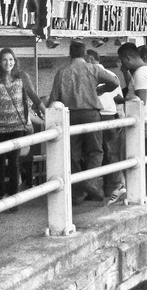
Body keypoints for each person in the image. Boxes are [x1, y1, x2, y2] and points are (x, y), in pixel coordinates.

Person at [48, 40, 118, 204]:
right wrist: (101, 89)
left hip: (70, 116)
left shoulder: (62, 72)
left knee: (73, 153)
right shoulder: (93, 68)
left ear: (69, 54)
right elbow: (115, 81)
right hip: (91, 114)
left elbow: (54, 99)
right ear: (85, 54)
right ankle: (90, 183)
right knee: (95, 151)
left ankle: (77, 192)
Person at [0, 49, 43, 205]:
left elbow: (33, 96)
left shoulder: (22, 77)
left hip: (17, 126)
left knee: (14, 161)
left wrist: (48, 114)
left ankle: (14, 197)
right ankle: (2, 194)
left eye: (11, 59)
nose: (8, 63)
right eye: (4, 60)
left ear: (15, 62)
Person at [117, 43, 147, 191]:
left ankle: (136, 190)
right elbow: (135, 88)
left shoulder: (140, 73)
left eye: (122, 60)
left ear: (127, 58)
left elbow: (140, 101)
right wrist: (126, 73)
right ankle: (139, 189)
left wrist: (120, 100)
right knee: (140, 157)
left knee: (131, 156)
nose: (122, 63)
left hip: (140, 120)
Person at [86, 49, 124, 204]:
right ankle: (111, 187)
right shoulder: (110, 75)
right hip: (111, 116)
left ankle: (92, 187)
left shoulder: (88, 75)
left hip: (96, 116)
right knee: (111, 153)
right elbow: (118, 97)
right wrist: (121, 116)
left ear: (90, 59)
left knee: (94, 153)